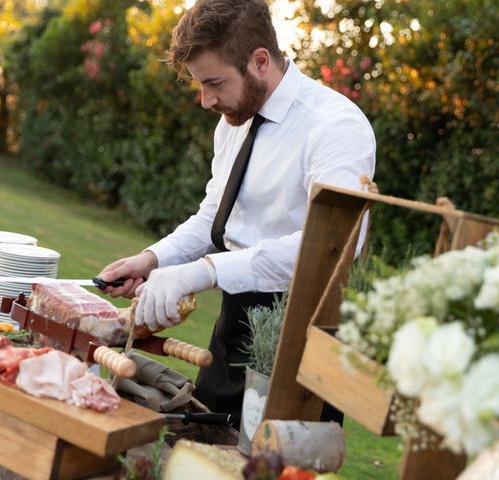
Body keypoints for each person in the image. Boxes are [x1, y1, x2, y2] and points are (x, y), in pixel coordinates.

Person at [98, 0, 376, 426]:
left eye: (214, 83)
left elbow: (333, 248)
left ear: (260, 61)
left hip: (301, 338)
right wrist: (154, 260)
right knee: (203, 452)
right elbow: (216, 217)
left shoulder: (336, 127)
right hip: (231, 326)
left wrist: (202, 272)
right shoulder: (233, 121)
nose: (206, 100)